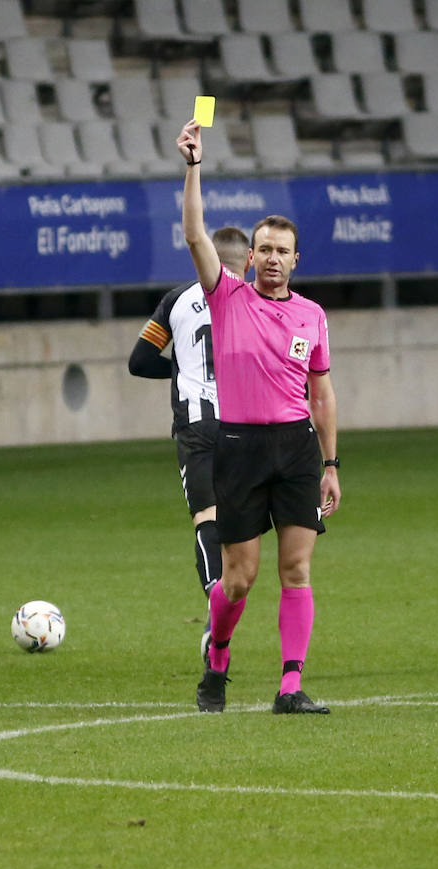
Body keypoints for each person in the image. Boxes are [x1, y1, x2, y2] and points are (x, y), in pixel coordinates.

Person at [176, 117, 341, 715]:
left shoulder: (312, 316)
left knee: (296, 569)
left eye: (282, 251)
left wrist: (331, 464)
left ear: (297, 260)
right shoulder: (227, 297)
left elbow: (321, 394)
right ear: (250, 257)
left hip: (296, 449)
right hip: (239, 448)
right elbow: (195, 234)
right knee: (239, 578)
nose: (273, 259)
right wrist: (194, 167)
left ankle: (290, 687)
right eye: (264, 249)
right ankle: (218, 657)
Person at [128, 226, 251, 665]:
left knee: (207, 518)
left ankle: (215, 610)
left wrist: (181, 369)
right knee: (246, 524)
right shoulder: (259, 301)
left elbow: (139, 361)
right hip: (250, 424)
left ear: (203, 257)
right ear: (249, 261)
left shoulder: (176, 300)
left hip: (198, 426)